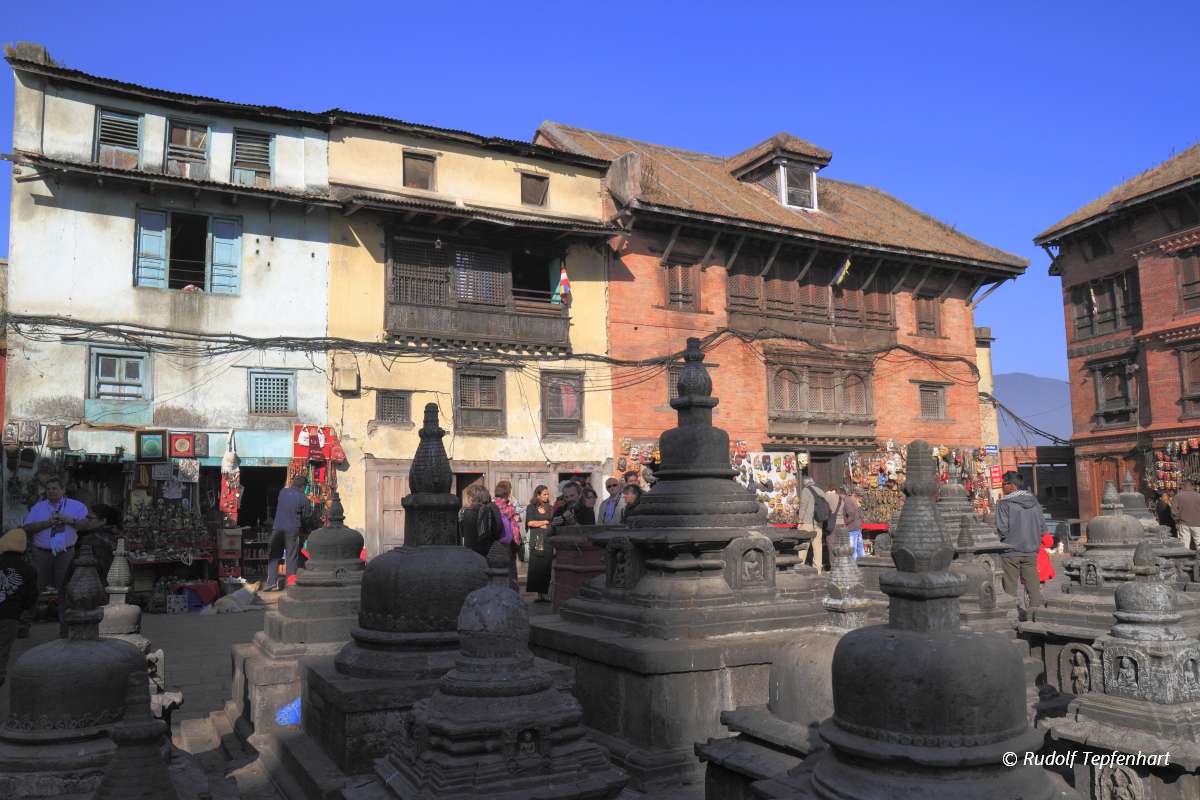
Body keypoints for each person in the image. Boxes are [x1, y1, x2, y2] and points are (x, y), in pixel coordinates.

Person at [22, 477, 88, 601]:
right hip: (42, 553)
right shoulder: (38, 507)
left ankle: (61, 614)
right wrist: (46, 523)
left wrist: (71, 521)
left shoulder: (77, 506)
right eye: (48, 489)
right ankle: (40, 613)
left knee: (64, 584)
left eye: (54, 488)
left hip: (65, 553)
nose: (51, 491)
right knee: (40, 584)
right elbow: (27, 527)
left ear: (63, 490)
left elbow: (86, 525)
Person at [996, 471, 1046, 617]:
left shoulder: (1004, 503)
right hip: (1031, 550)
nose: (1002, 487)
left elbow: (1002, 529)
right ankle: (1036, 614)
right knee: (1033, 585)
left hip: (1010, 551)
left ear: (1011, 486)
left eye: (1003, 484)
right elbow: (1042, 528)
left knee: (1010, 586)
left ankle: (1011, 614)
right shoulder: (1034, 502)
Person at [0, 529, 37, 688]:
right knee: (2, 649)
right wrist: (22, 612)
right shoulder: (28, 569)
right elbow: (31, 597)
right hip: (10, 616)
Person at [263, 475, 309, 592]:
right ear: (303, 486)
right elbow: (306, 517)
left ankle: (270, 583)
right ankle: (290, 584)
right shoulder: (303, 498)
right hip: (292, 530)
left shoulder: (283, 492)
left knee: (274, 555)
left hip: (277, 528)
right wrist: (306, 529)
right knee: (291, 556)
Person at [524, 485, 554, 602]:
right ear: (538, 495)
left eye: (547, 494)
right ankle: (539, 594)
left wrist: (544, 524)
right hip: (537, 540)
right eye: (544, 494)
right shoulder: (531, 507)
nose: (546, 496)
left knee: (546, 566)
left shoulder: (550, 508)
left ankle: (545, 593)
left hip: (547, 540)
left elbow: (553, 522)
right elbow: (530, 523)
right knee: (537, 567)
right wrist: (544, 522)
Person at [492, 481, 520, 588]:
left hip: (503, 539)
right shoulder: (504, 504)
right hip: (506, 539)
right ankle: (511, 589)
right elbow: (509, 514)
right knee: (509, 567)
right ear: (507, 491)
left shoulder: (493, 503)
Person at [797, 475, 827, 572]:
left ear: (805, 483)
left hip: (807, 522)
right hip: (818, 522)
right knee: (818, 547)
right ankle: (818, 569)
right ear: (813, 482)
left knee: (804, 545)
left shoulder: (805, 491)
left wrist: (800, 521)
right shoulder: (820, 491)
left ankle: (800, 567)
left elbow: (803, 507)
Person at [835, 485, 865, 560]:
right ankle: (862, 565)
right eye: (860, 496)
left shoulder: (847, 500)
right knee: (859, 549)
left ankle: (854, 567)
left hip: (852, 528)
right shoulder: (853, 501)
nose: (861, 498)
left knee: (853, 551)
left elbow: (851, 515)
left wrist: (844, 523)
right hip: (857, 527)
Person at [1171, 479, 1200, 551]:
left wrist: (1176, 520)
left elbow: (1174, 511)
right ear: (1192, 486)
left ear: (1184, 486)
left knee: (1185, 545)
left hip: (1183, 523)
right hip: (1198, 523)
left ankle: (1186, 560)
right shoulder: (1198, 496)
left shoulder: (1178, 496)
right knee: (1199, 542)